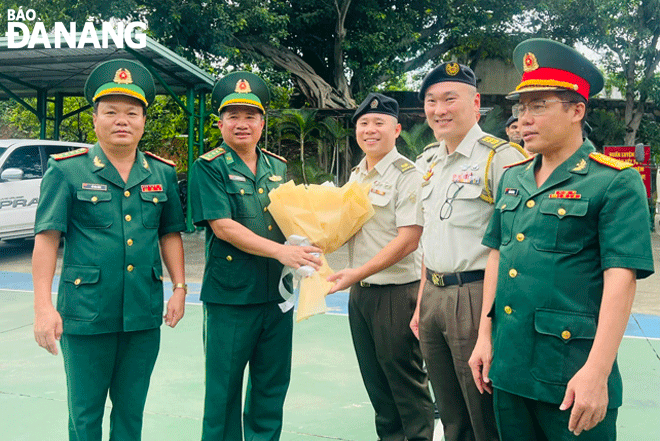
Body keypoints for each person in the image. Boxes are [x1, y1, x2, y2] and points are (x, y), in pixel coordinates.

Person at [468, 38, 654, 441]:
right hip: (510, 367)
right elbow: (498, 256)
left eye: (539, 106)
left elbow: (620, 280)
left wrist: (597, 372)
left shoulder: (614, 182)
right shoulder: (514, 177)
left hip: (572, 375)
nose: (524, 119)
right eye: (521, 107)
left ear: (577, 111)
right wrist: (484, 337)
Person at [32, 59, 187, 441]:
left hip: (143, 314)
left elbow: (170, 234)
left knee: (131, 413)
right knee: (85, 416)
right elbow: (47, 238)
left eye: (132, 112)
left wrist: (180, 288)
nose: (122, 120)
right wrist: (43, 307)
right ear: (95, 119)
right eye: (111, 112)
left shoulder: (162, 172)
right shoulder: (67, 170)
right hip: (85, 314)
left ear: (143, 121)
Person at [189, 72, 322, 441]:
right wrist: (284, 251)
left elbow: (292, 218)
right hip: (232, 297)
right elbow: (223, 227)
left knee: (270, 387)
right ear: (220, 123)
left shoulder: (277, 167)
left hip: (276, 298)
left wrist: (315, 240)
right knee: (224, 392)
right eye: (233, 116)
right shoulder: (209, 166)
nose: (242, 124)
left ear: (262, 123)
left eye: (250, 116)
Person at [410, 62, 527, 441]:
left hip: (476, 296)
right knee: (450, 412)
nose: (439, 109)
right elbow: (431, 235)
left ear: (475, 103)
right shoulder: (428, 161)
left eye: (449, 99)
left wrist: (492, 322)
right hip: (433, 297)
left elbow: (514, 243)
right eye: (430, 101)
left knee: (484, 412)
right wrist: (421, 301)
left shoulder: (501, 158)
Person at [327, 93, 434, 441]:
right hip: (361, 295)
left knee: (406, 386)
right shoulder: (357, 175)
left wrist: (357, 273)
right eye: (363, 124)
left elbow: (408, 240)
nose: (370, 130)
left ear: (397, 129)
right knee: (377, 385)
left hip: (396, 294)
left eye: (379, 123)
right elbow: (340, 228)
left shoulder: (408, 175)